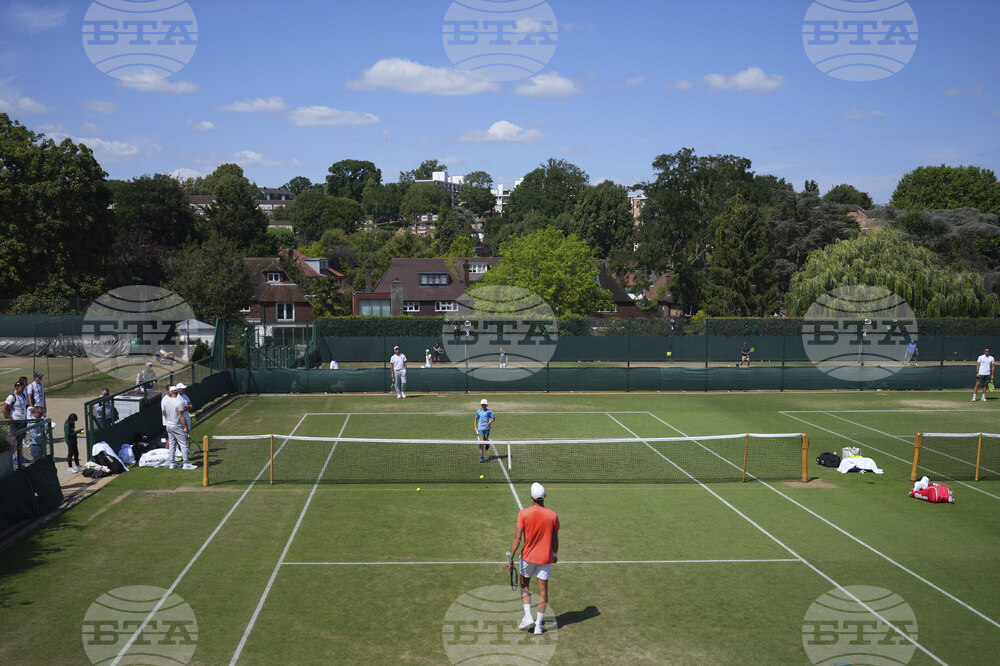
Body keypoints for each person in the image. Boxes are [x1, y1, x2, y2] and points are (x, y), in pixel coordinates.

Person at [508, 482, 560, 635]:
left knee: (524, 585)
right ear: (544, 496)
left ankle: (528, 616)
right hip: (545, 559)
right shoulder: (553, 515)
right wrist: (555, 554)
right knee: (543, 591)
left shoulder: (523, 514)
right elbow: (555, 540)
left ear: (531, 496)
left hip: (528, 558)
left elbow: (517, 538)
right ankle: (538, 626)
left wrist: (510, 557)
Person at [161, 385, 196, 469]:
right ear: (176, 392)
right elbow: (181, 416)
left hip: (169, 426)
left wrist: (170, 419)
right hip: (177, 426)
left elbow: (164, 413)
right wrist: (186, 427)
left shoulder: (165, 402)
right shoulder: (178, 402)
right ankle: (186, 463)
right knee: (183, 444)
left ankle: (172, 463)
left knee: (172, 444)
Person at [4, 380, 29, 453]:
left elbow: (25, 406)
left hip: (23, 422)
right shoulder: (12, 396)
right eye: (21, 388)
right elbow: (4, 409)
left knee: (20, 441)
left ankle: (20, 458)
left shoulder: (23, 395)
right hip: (15, 423)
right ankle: (13, 458)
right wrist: (10, 418)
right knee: (13, 441)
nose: (23, 389)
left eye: (23, 388)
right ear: (16, 388)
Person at [475, 398, 494, 463]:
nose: (483, 405)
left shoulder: (489, 411)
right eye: (482, 404)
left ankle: (487, 443)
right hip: (480, 428)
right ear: (481, 405)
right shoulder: (478, 412)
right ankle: (481, 456)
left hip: (487, 428)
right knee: (482, 442)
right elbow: (475, 419)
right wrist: (475, 427)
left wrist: (488, 423)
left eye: (484, 404)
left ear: (486, 405)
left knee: (485, 440)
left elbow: (493, 418)